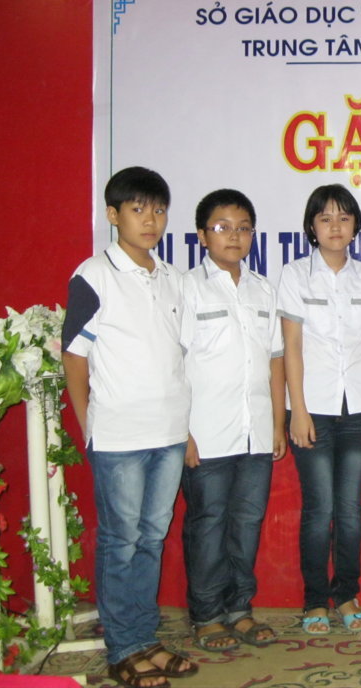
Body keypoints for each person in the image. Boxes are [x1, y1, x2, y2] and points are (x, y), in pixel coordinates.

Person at [61, 166, 197, 688]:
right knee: (121, 541)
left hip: (168, 432)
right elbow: (75, 358)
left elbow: (178, 356)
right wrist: (89, 424)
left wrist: (185, 428)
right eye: (138, 210)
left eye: (158, 210)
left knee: (151, 538)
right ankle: (122, 649)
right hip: (118, 437)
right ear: (113, 215)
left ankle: (145, 638)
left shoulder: (172, 278)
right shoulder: (93, 275)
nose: (150, 220)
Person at [277, 184, 361, 635]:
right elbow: (291, 347)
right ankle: (314, 601)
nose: (335, 226)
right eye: (325, 218)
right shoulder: (294, 275)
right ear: (312, 226)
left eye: (344, 218)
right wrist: (299, 410)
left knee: (349, 510)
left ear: (356, 226)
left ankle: (346, 594)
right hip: (313, 409)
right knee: (318, 508)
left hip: (359, 408)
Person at [180, 189, 285, 652]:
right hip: (206, 433)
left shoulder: (263, 289)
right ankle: (206, 615)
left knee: (247, 524)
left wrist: (277, 424)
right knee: (208, 524)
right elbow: (173, 362)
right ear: (202, 235)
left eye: (243, 228)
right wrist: (182, 431)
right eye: (223, 227)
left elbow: (276, 360)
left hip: (255, 431)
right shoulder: (186, 288)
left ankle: (239, 609)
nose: (234, 236)